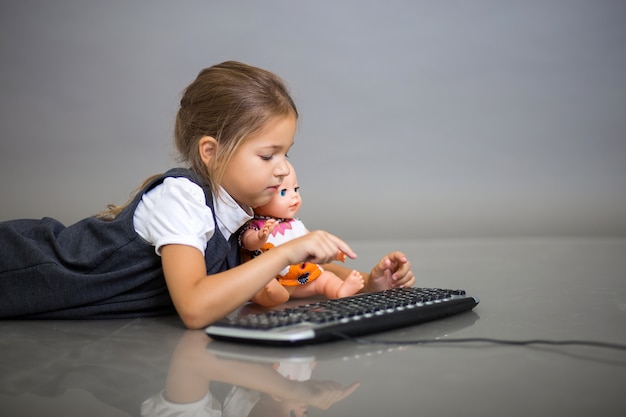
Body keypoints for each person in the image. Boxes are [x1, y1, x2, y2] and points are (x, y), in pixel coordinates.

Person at [0, 61, 415, 329]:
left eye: (287, 153)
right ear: (212, 152)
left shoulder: (242, 219)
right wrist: (285, 253)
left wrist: (367, 285)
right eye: (268, 154)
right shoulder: (183, 199)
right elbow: (195, 307)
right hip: (22, 264)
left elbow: (296, 280)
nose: (284, 168)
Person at [240, 161, 364, 307]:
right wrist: (260, 237)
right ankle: (271, 296)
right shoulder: (255, 226)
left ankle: (339, 291)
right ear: (256, 199)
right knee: (259, 283)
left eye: (296, 189)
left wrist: (333, 251)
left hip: (305, 278)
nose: (294, 197)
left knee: (326, 278)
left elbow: (313, 242)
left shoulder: (296, 224)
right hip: (277, 279)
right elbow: (248, 243)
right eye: (283, 192)